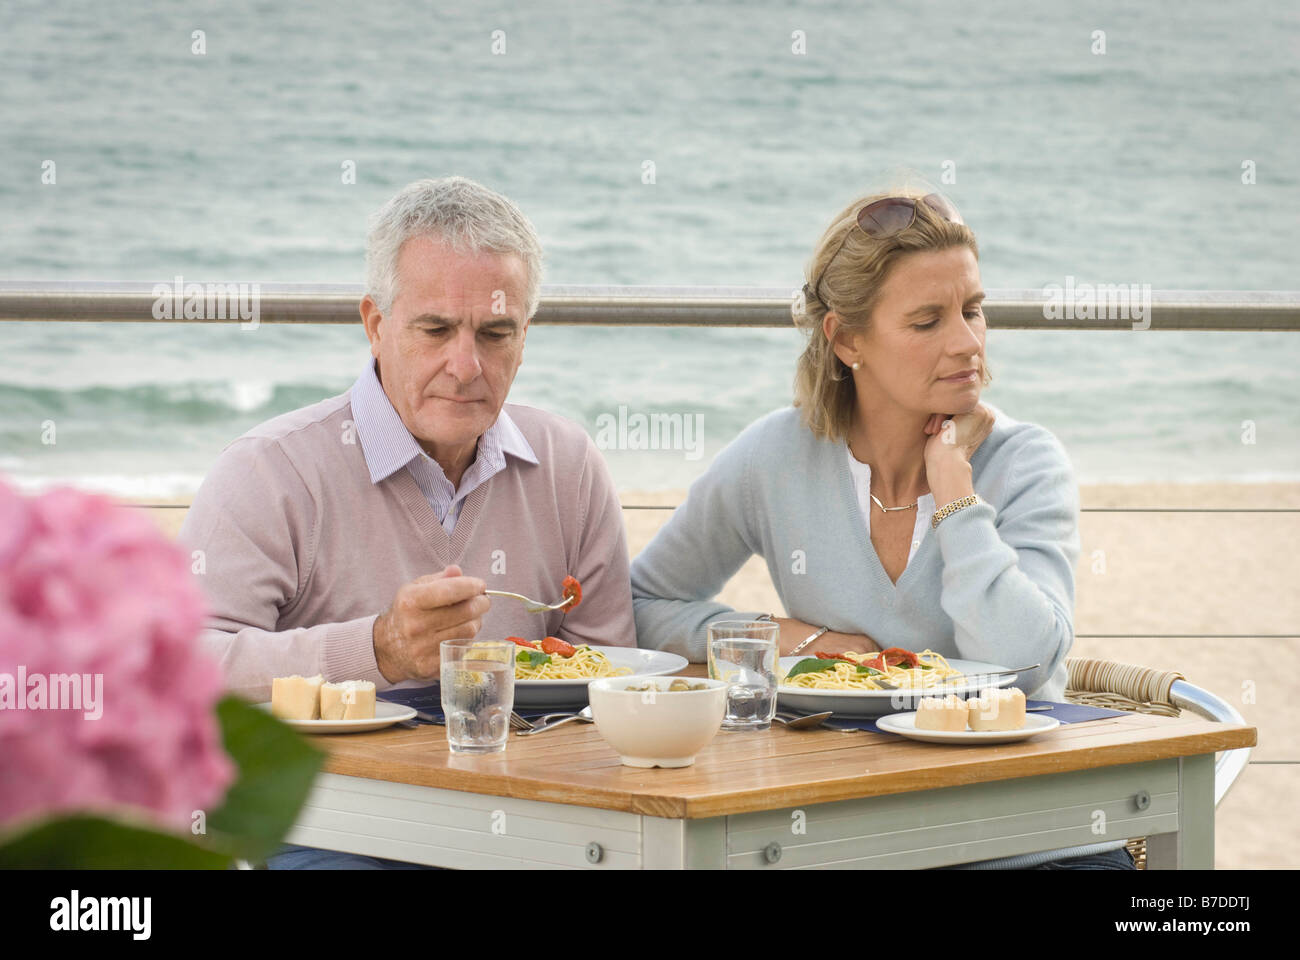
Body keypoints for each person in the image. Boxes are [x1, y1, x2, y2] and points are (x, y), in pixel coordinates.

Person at [629, 188, 1133, 870]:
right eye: (927, 321)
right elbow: (645, 604)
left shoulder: (1025, 462)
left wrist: (956, 492)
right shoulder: (774, 456)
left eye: (973, 310)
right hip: (848, 829)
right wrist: (798, 641)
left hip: (1027, 835)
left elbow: (1025, 663)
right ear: (846, 341)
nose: (966, 343)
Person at [179, 176, 635, 868]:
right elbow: (185, 670)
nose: (466, 365)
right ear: (375, 323)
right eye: (436, 330)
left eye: (495, 333)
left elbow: (608, 676)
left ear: (524, 336)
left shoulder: (567, 463)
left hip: (531, 817)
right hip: (333, 823)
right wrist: (379, 649)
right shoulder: (270, 471)